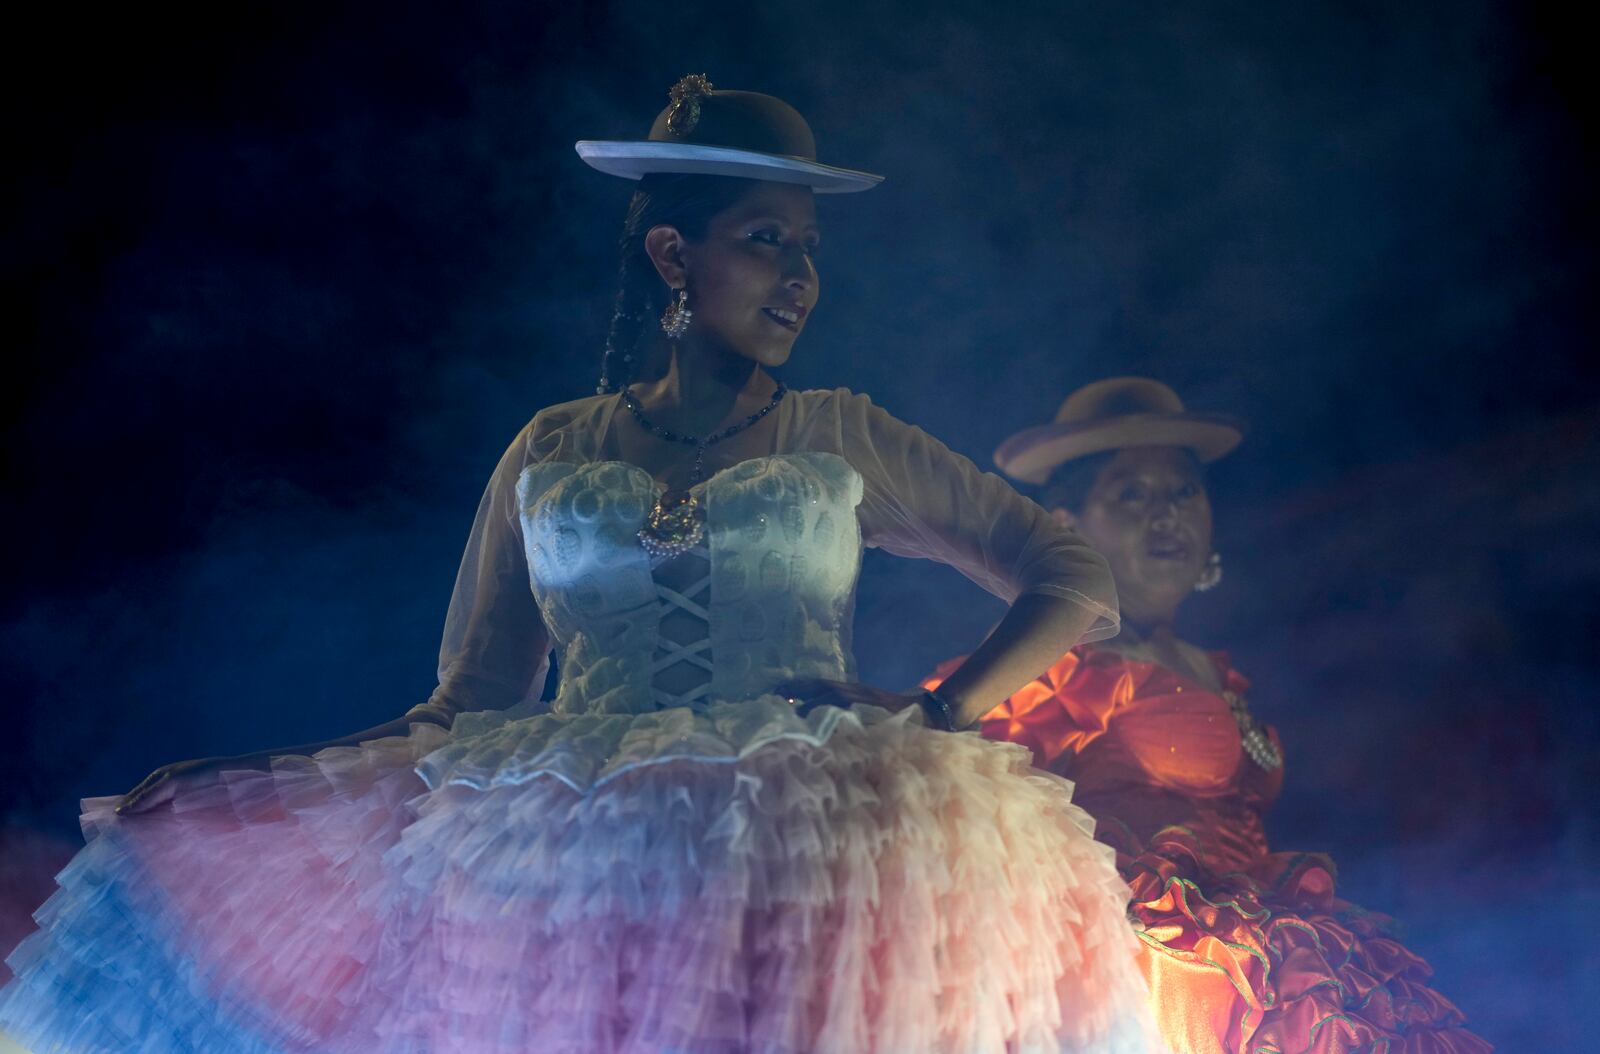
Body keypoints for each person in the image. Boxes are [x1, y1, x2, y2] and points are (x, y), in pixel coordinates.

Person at [0, 79, 1159, 1054]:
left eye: (808, 250)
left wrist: (943, 707)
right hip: (570, 865)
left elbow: (1068, 571)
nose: (800, 277)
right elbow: (470, 702)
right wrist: (240, 791)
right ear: (671, 251)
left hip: (809, 846)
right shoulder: (550, 447)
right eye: (766, 241)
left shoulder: (843, 431)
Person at [930, 377, 1490, 1053]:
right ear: (1067, 527)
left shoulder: (1218, 670)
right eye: (1129, 494)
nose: (1164, 515)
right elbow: (944, 766)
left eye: (1182, 491)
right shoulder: (1055, 673)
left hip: (1276, 960)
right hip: (1160, 977)